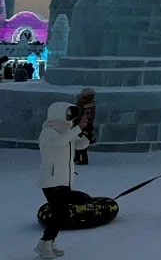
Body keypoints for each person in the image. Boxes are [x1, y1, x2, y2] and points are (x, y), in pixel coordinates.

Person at [35, 102, 90, 258]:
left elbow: (79, 145)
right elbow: (58, 142)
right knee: (61, 213)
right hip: (51, 180)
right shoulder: (48, 132)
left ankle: (49, 242)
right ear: (57, 114)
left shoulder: (67, 132)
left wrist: (85, 134)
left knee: (62, 213)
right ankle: (44, 243)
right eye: (67, 114)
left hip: (64, 180)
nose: (69, 117)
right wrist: (77, 129)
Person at [73, 88, 96, 165]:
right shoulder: (90, 103)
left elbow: (85, 114)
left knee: (79, 140)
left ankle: (79, 158)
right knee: (82, 140)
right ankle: (81, 158)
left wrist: (80, 122)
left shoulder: (85, 103)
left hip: (83, 125)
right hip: (86, 125)